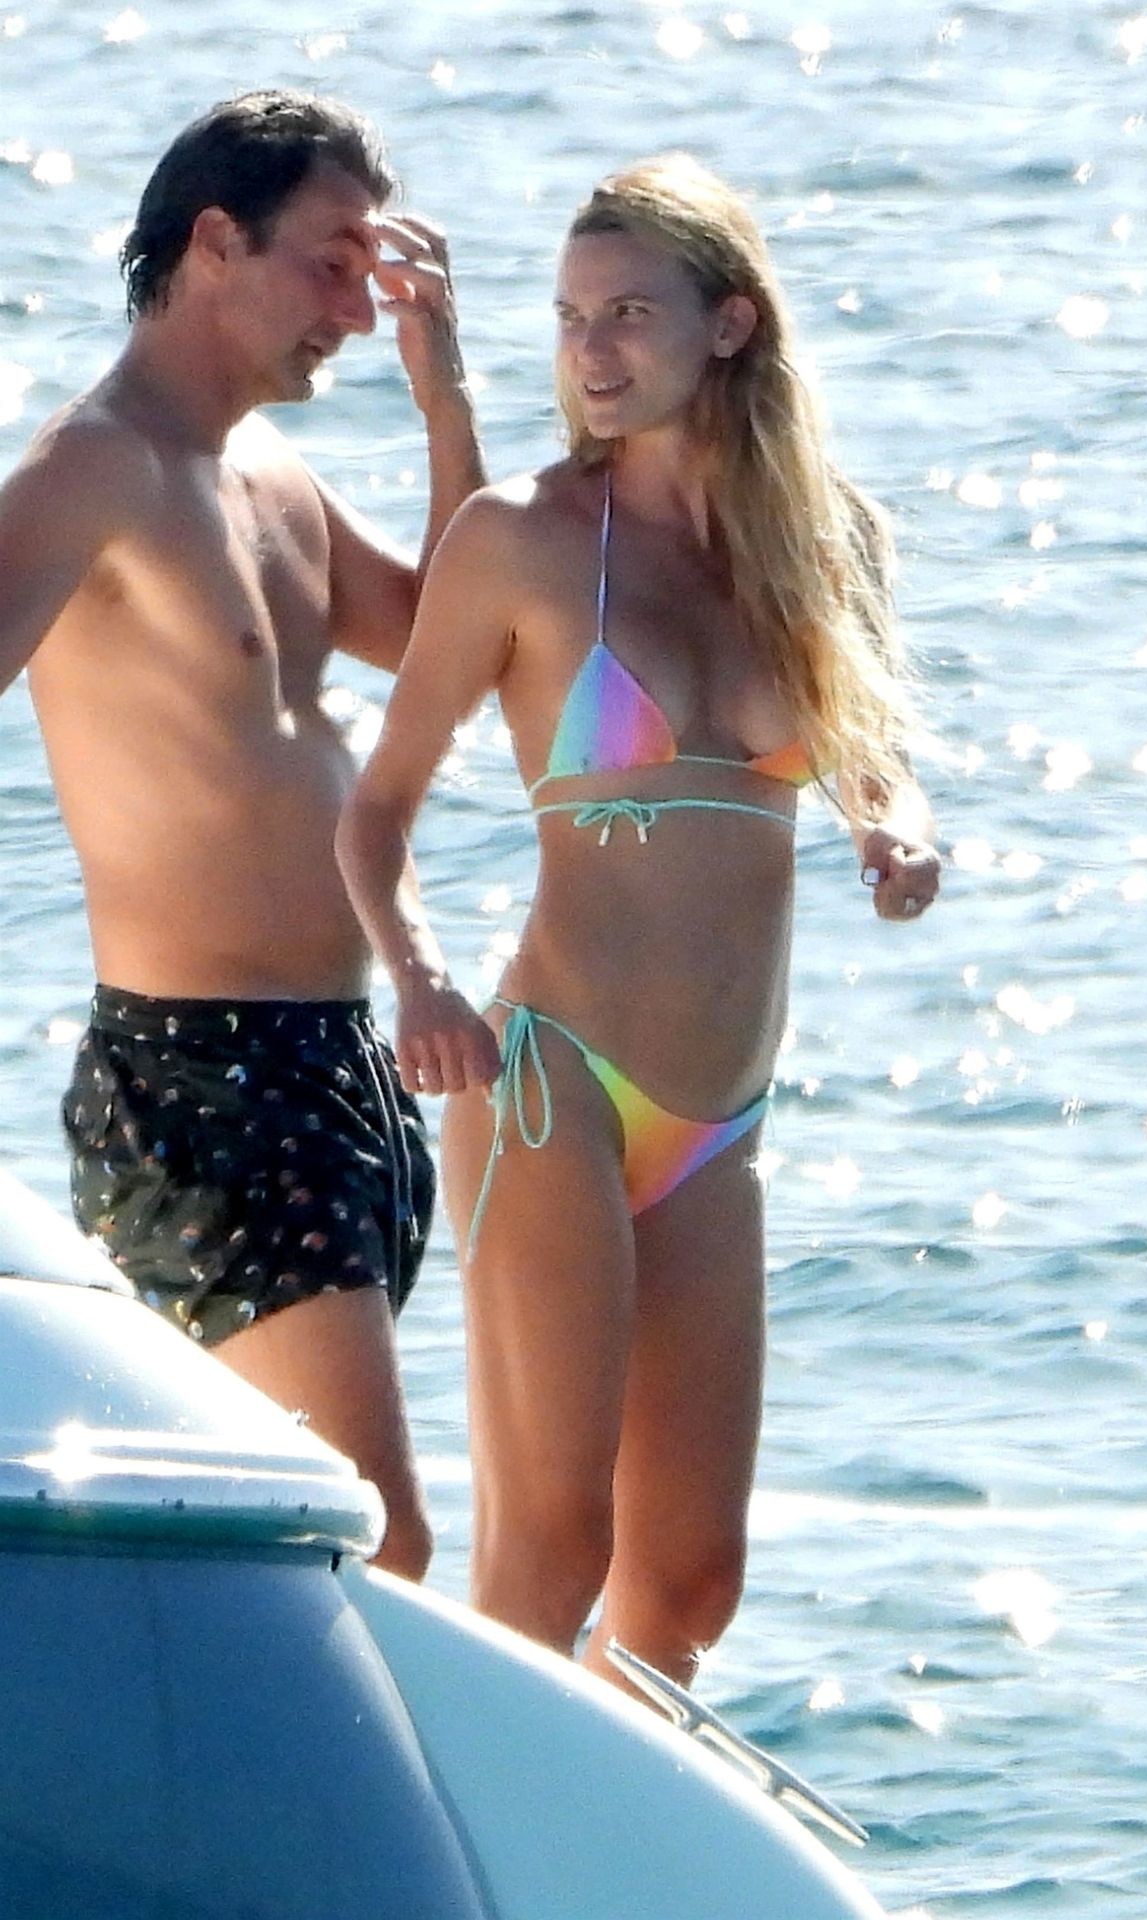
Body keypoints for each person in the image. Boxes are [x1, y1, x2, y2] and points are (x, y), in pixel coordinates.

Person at [336, 154, 939, 1681]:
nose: (590, 350)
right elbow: (376, 807)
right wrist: (420, 980)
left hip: (718, 1118)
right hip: (551, 1082)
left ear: (729, 324)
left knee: (687, 1587)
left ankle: (589, 1817)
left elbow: (874, 764)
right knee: (550, 1554)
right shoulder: (524, 538)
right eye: (568, 318)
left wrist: (897, 834)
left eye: (626, 314)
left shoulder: (830, 543)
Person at [0, 90, 487, 1580]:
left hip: (335, 1064)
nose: (357, 308)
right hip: (201, 1074)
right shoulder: (98, 465)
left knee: (275, 1547)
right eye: (332, 265)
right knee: (377, 1537)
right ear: (217, 241)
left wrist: (447, 404)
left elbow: (454, 638)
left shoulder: (268, 471)